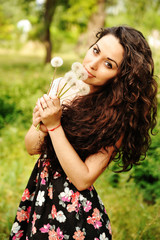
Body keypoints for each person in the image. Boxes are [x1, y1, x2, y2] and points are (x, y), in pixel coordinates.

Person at [10, 25, 157, 240]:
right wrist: (40, 126)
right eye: (96, 51)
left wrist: (54, 126)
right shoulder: (61, 85)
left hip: (75, 215)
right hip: (40, 196)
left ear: (120, 76)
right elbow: (32, 148)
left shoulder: (117, 115)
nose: (93, 64)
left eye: (109, 64)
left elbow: (83, 179)